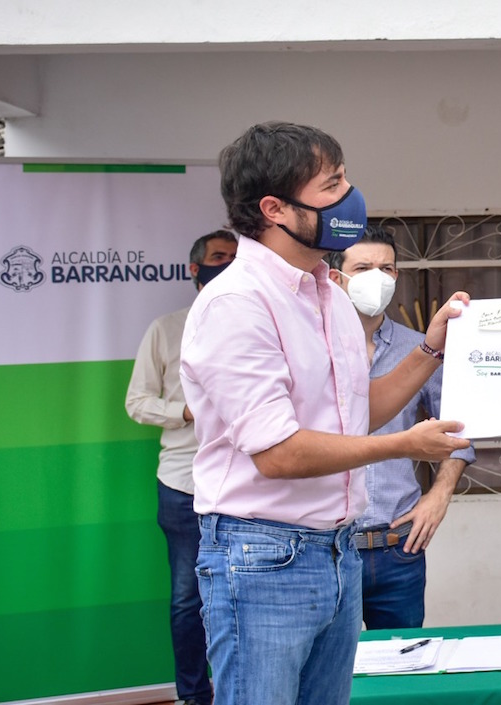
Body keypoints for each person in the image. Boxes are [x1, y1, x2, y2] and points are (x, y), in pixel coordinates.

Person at [179, 122, 470, 705]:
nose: (350, 198)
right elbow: (279, 454)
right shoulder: (237, 303)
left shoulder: (330, 296)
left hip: (337, 551)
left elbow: (359, 413)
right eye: (332, 185)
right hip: (263, 557)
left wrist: (431, 347)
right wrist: (405, 445)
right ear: (274, 209)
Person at [324, 228, 475, 629]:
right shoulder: (313, 348)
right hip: (326, 549)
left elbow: (460, 430)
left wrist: (439, 495)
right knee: (331, 667)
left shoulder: (423, 347)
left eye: (386, 268)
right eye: (363, 268)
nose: (377, 277)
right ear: (336, 277)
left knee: (403, 660)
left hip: (398, 547)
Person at [124, 229, 237, 705]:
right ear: (195, 269)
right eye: (218, 257)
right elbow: (136, 401)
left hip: (245, 483)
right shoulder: (166, 329)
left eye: (234, 257)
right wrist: (184, 412)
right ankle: (194, 695)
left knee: (243, 597)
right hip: (182, 484)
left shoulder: (258, 324)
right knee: (188, 600)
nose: (227, 264)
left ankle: (238, 691)